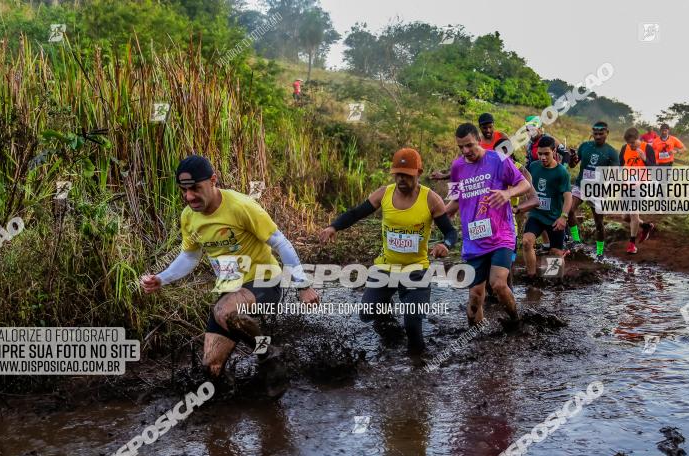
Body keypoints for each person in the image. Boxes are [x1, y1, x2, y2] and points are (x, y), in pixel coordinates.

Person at [141, 155, 320, 390]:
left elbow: (281, 243)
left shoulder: (241, 206)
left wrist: (303, 286)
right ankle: (234, 403)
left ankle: (269, 355)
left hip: (264, 282)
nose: (189, 197)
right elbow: (189, 256)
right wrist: (162, 278)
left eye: (195, 188)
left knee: (224, 310)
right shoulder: (189, 216)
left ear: (213, 180)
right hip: (230, 290)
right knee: (211, 369)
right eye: (184, 190)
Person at [319, 148, 458, 353]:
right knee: (367, 313)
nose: (401, 179)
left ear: (419, 173)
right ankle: (390, 326)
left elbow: (450, 232)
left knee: (412, 325)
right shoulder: (384, 193)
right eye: (398, 174)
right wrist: (334, 226)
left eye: (407, 175)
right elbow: (357, 212)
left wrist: (445, 244)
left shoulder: (431, 199)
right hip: (386, 267)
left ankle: (418, 366)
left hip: (416, 270)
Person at [445, 123, 536, 326]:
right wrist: (441, 215)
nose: (466, 151)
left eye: (469, 145)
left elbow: (525, 184)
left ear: (479, 140)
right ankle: (475, 339)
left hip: (500, 235)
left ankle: (515, 322)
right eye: (461, 147)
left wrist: (507, 193)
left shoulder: (498, 159)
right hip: (473, 240)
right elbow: (454, 200)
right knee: (475, 297)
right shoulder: (457, 167)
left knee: (498, 283)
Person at [523, 135, 572, 280]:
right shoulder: (533, 166)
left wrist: (563, 217)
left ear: (554, 152)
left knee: (555, 254)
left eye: (546, 154)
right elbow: (526, 186)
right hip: (536, 216)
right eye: (540, 154)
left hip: (554, 218)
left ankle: (556, 289)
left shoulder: (561, 172)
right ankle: (531, 279)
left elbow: (568, 197)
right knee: (526, 242)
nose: (543, 157)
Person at [568, 121, 618, 260]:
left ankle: (600, 252)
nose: (597, 136)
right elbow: (573, 165)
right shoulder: (585, 146)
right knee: (569, 210)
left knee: (599, 224)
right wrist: (572, 158)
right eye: (595, 134)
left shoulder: (611, 152)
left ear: (607, 133)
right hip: (581, 185)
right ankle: (577, 241)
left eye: (601, 134)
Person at [619, 128, 657, 253]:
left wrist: (645, 159)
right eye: (629, 143)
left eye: (633, 143)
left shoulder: (647, 148)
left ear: (638, 138)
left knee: (634, 213)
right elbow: (620, 166)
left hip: (641, 185)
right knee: (625, 216)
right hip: (626, 185)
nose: (631, 145)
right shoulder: (624, 148)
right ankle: (646, 226)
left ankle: (631, 244)